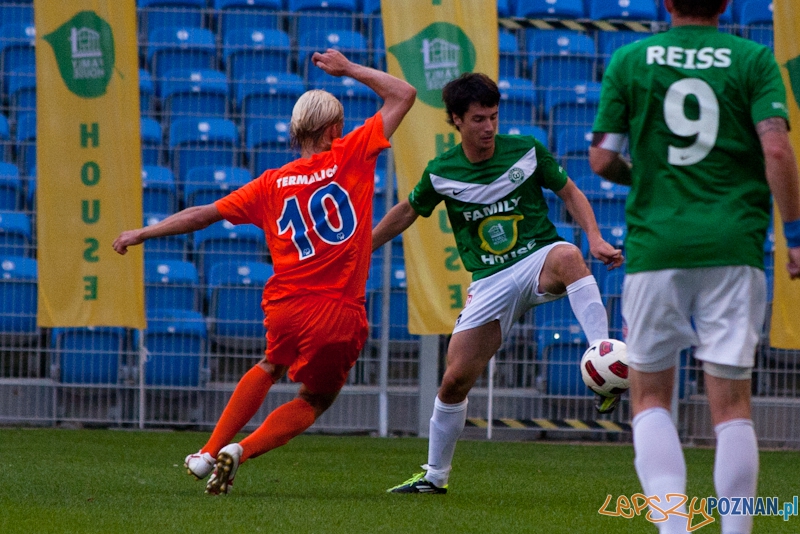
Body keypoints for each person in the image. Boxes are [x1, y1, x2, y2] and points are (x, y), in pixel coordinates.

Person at [113, 49, 416, 495]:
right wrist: (348, 68)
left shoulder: (271, 182)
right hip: (337, 310)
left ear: (296, 132)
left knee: (271, 363)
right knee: (315, 399)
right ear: (335, 129)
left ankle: (207, 450)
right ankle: (241, 450)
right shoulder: (353, 152)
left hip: (286, 305)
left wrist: (144, 232)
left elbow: (202, 214)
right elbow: (403, 95)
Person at [589, 0, 800, 532]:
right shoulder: (753, 58)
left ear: (666, 2)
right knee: (731, 405)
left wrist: (650, 178)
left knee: (651, 395)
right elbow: (776, 150)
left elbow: (601, 158)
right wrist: (795, 235)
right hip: (734, 245)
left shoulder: (631, 59)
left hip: (658, 247)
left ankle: (673, 526)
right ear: (725, 2)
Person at [374, 72, 624, 495]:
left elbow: (571, 193)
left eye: (493, 117)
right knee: (454, 381)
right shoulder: (441, 172)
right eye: (477, 119)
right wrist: (362, 248)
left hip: (536, 259)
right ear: (455, 120)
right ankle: (434, 477)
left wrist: (595, 237)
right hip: (489, 281)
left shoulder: (525, 151)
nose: (488, 127)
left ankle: (601, 357)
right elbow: (406, 211)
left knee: (568, 254)